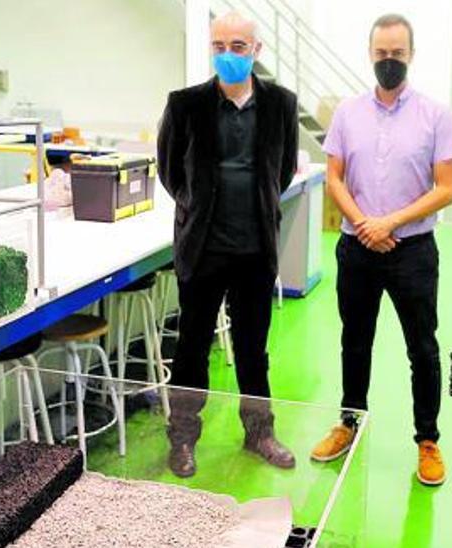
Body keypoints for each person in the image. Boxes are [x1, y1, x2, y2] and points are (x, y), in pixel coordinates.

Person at [309, 13, 452, 487]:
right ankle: (349, 421)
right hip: (357, 250)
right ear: (370, 54)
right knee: (355, 340)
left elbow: (447, 187)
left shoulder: (435, 114)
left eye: (397, 54)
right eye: (381, 54)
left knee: (423, 348)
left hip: (412, 251)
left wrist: (389, 222)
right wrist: (362, 224)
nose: (388, 61)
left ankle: (428, 440)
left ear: (410, 55)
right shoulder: (348, 114)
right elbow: (333, 176)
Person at [156, 11, 300, 478]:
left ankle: (259, 432)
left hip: (256, 249)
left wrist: (254, 207)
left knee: (253, 348)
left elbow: (282, 171)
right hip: (204, 248)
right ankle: (182, 438)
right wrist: (197, 207)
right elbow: (170, 171)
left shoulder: (281, 104)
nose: (228, 55)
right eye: (219, 46)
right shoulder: (185, 104)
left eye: (239, 46)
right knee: (191, 347)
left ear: (257, 51)